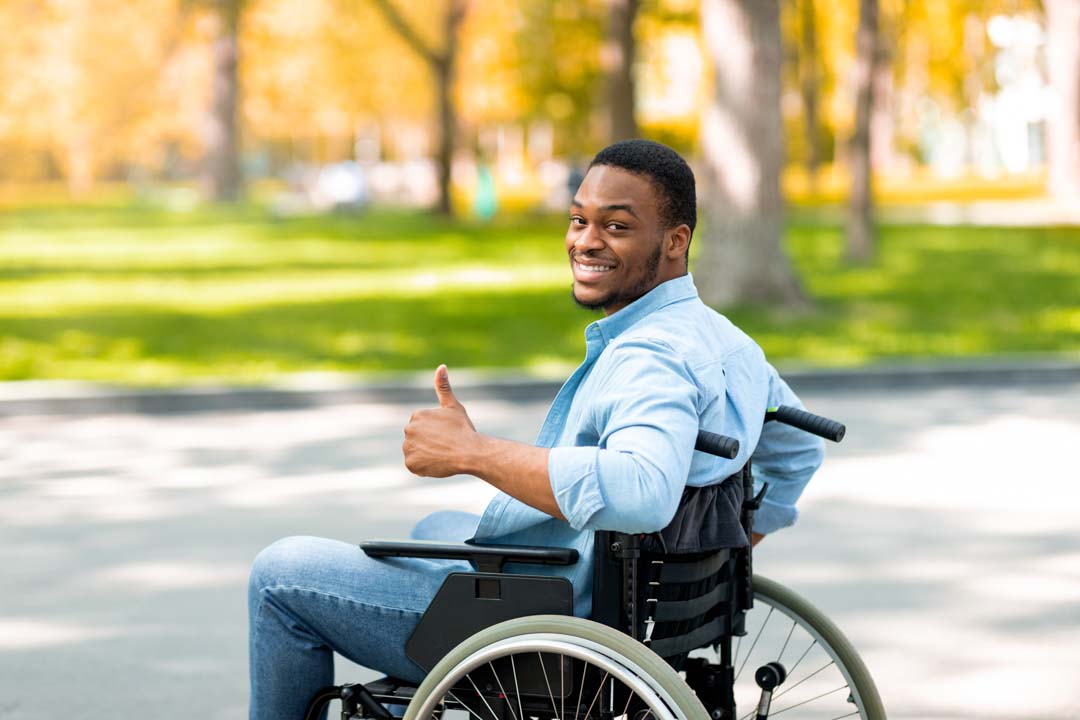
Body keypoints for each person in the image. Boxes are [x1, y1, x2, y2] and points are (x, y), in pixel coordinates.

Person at [247, 139, 823, 720]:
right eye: (579, 219)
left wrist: (473, 452)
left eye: (616, 226)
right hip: (626, 599)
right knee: (438, 526)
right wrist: (732, 554)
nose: (585, 241)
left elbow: (640, 491)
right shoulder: (725, 341)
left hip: (557, 623)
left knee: (279, 572)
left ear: (675, 241)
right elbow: (797, 451)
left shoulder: (650, 355)